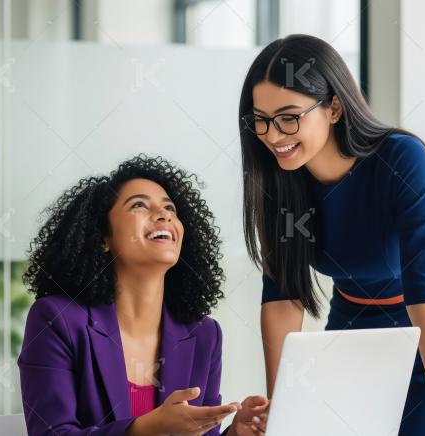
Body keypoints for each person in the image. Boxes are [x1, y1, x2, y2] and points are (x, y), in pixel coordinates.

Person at [238, 34, 425, 436]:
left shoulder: (402, 159)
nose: (273, 135)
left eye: (289, 117)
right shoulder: (281, 182)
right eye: (260, 120)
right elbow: (284, 297)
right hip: (353, 332)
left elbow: (423, 292)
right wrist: (283, 406)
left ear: (334, 107)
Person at [19, 155, 269, 435]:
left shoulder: (204, 334)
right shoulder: (57, 320)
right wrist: (146, 429)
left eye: (170, 208)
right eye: (139, 205)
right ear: (103, 237)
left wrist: (237, 432)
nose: (164, 215)